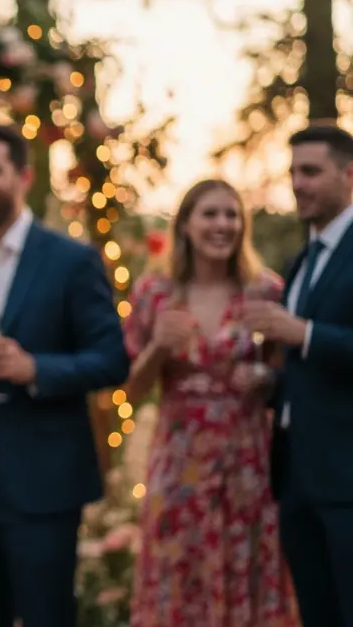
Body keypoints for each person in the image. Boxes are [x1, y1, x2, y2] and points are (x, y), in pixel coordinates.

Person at [0, 122, 131, 627]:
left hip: (42, 479)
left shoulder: (70, 260)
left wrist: (34, 368)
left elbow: (112, 358)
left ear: (23, 175)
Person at [124, 179, 297, 626]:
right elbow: (130, 389)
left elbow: (289, 377)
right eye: (210, 214)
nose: (222, 224)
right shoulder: (153, 293)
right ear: (185, 224)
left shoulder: (265, 291)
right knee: (179, 574)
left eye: (232, 215)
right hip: (180, 465)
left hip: (248, 463)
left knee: (249, 568)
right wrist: (158, 347)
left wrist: (263, 377)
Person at [248, 123, 353, 626]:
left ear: (349, 174)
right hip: (296, 478)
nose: (297, 184)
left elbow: (309, 338)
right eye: (292, 172)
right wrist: (271, 386)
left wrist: (304, 332)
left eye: (311, 172)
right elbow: (304, 368)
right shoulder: (303, 259)